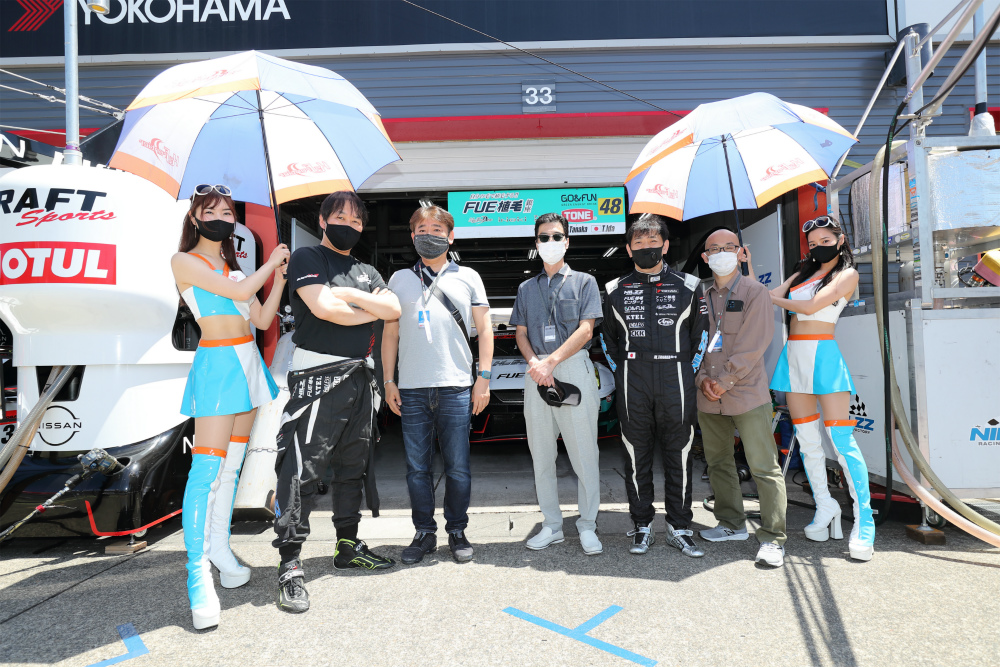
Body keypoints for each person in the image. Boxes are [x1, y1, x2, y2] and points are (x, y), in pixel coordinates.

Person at [272, 191, 402, 613]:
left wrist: (350, 296)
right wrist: (370, 307)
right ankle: (290, 564)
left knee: (353, 467)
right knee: (302, 471)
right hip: (317, 377)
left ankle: (347, 545)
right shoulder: (308, 258)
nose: (350, 224)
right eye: (341, 217)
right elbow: (325, 308)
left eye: (357, 220)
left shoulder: (366, 269)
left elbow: (394, 307)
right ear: (323, 221)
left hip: (360, 378)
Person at [171, 184, 288, 630]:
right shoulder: (185, 262)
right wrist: (269, 265)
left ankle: (219, 548)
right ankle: (197, 572)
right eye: (211, 211)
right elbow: (230, 291)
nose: (221, 218)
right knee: (207, 472)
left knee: (232, 467)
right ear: (195, 218)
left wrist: (279, 278)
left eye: (227, 212)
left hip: (247, 365)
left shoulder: (235, 269)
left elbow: (261, 319)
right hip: (218, 366)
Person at [382, 202, 493, 564]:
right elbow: (390, 333)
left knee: (458, 466)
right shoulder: (398, 279)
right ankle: (424, 533)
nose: (428, 236)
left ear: (451, 236)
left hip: (456, 386)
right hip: (412, 388)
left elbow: (485, 330)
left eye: (436, 230)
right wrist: (388, 380)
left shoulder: (469, 276)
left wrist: (483, 379)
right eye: (422, 230)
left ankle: (457, 530)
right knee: (417, 468)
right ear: (412, 235)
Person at [601, 214, 709, 557]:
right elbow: (607, 339)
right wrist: (623, 372)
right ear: (628, 249)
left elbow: (701, 335)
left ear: (665, 245)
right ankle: (642, 524)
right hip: (633, 378)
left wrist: (686, 371)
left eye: (652, 241)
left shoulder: (690, 285)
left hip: (676, 377)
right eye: (639, 242)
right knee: (636, 455)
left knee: (680, 453)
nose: (646, 247)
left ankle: (679, 526)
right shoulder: (614, 289)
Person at [769, 216, 874, 562]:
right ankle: (825, 505)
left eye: (825, 241)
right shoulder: (803, 272)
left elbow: (810, 307)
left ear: (840, 240)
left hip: (824, 356)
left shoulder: (847, 274)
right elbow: (774, 294)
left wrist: (774, 300)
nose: (818, 247)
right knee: (807, 440)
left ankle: (864, 520)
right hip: (795, 357)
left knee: (841, 441)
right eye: (812, 243)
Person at [511, 213, 605, 556]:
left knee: (584, 452)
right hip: (536, 372)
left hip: (572, 368)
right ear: (536, 243)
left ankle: (587, 524)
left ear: (567, 241)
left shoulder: (585, 282)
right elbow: (520, 333)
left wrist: (551, 361)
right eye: (543, 237)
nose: (549, 242)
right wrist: (536, 363)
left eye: (556, 236)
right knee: (541, 454)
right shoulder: (526, 288)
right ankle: (552, 525)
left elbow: (586, 330)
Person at [694, 229, 788, 567]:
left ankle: (773, 537)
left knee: (763, 466)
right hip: (709, 395)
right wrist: (702, 379)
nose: (721, 253)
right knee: (718, 462)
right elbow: (693, 343)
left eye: (728, 247)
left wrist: (726, 379)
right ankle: (731, 524)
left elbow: (754, 343)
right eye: (714, 249)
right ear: (705, 257)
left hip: (746, 392)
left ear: (740, 252)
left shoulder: (755, 292)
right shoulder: (699, 297)